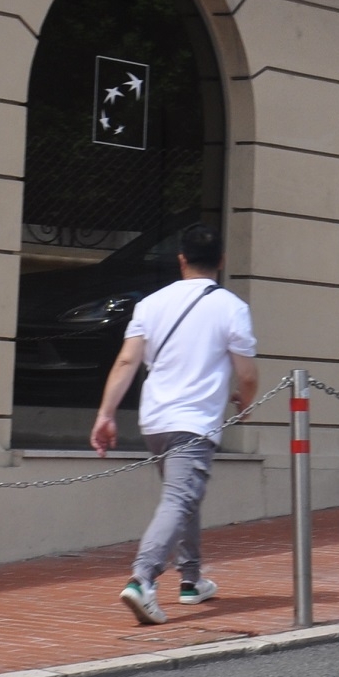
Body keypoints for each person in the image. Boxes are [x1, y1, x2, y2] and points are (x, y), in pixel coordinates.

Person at [91, 222, 257, 626]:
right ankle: (142, 580)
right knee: (180, 499)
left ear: (181, 258)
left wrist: (106, 413)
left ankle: (191, 580)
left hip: (155, 421)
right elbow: (247, 374)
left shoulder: (151, 304)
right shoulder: (231, 307)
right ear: (221, 261)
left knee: (184, 498)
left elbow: (128, 361)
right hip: (193, 422)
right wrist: (245, 403)